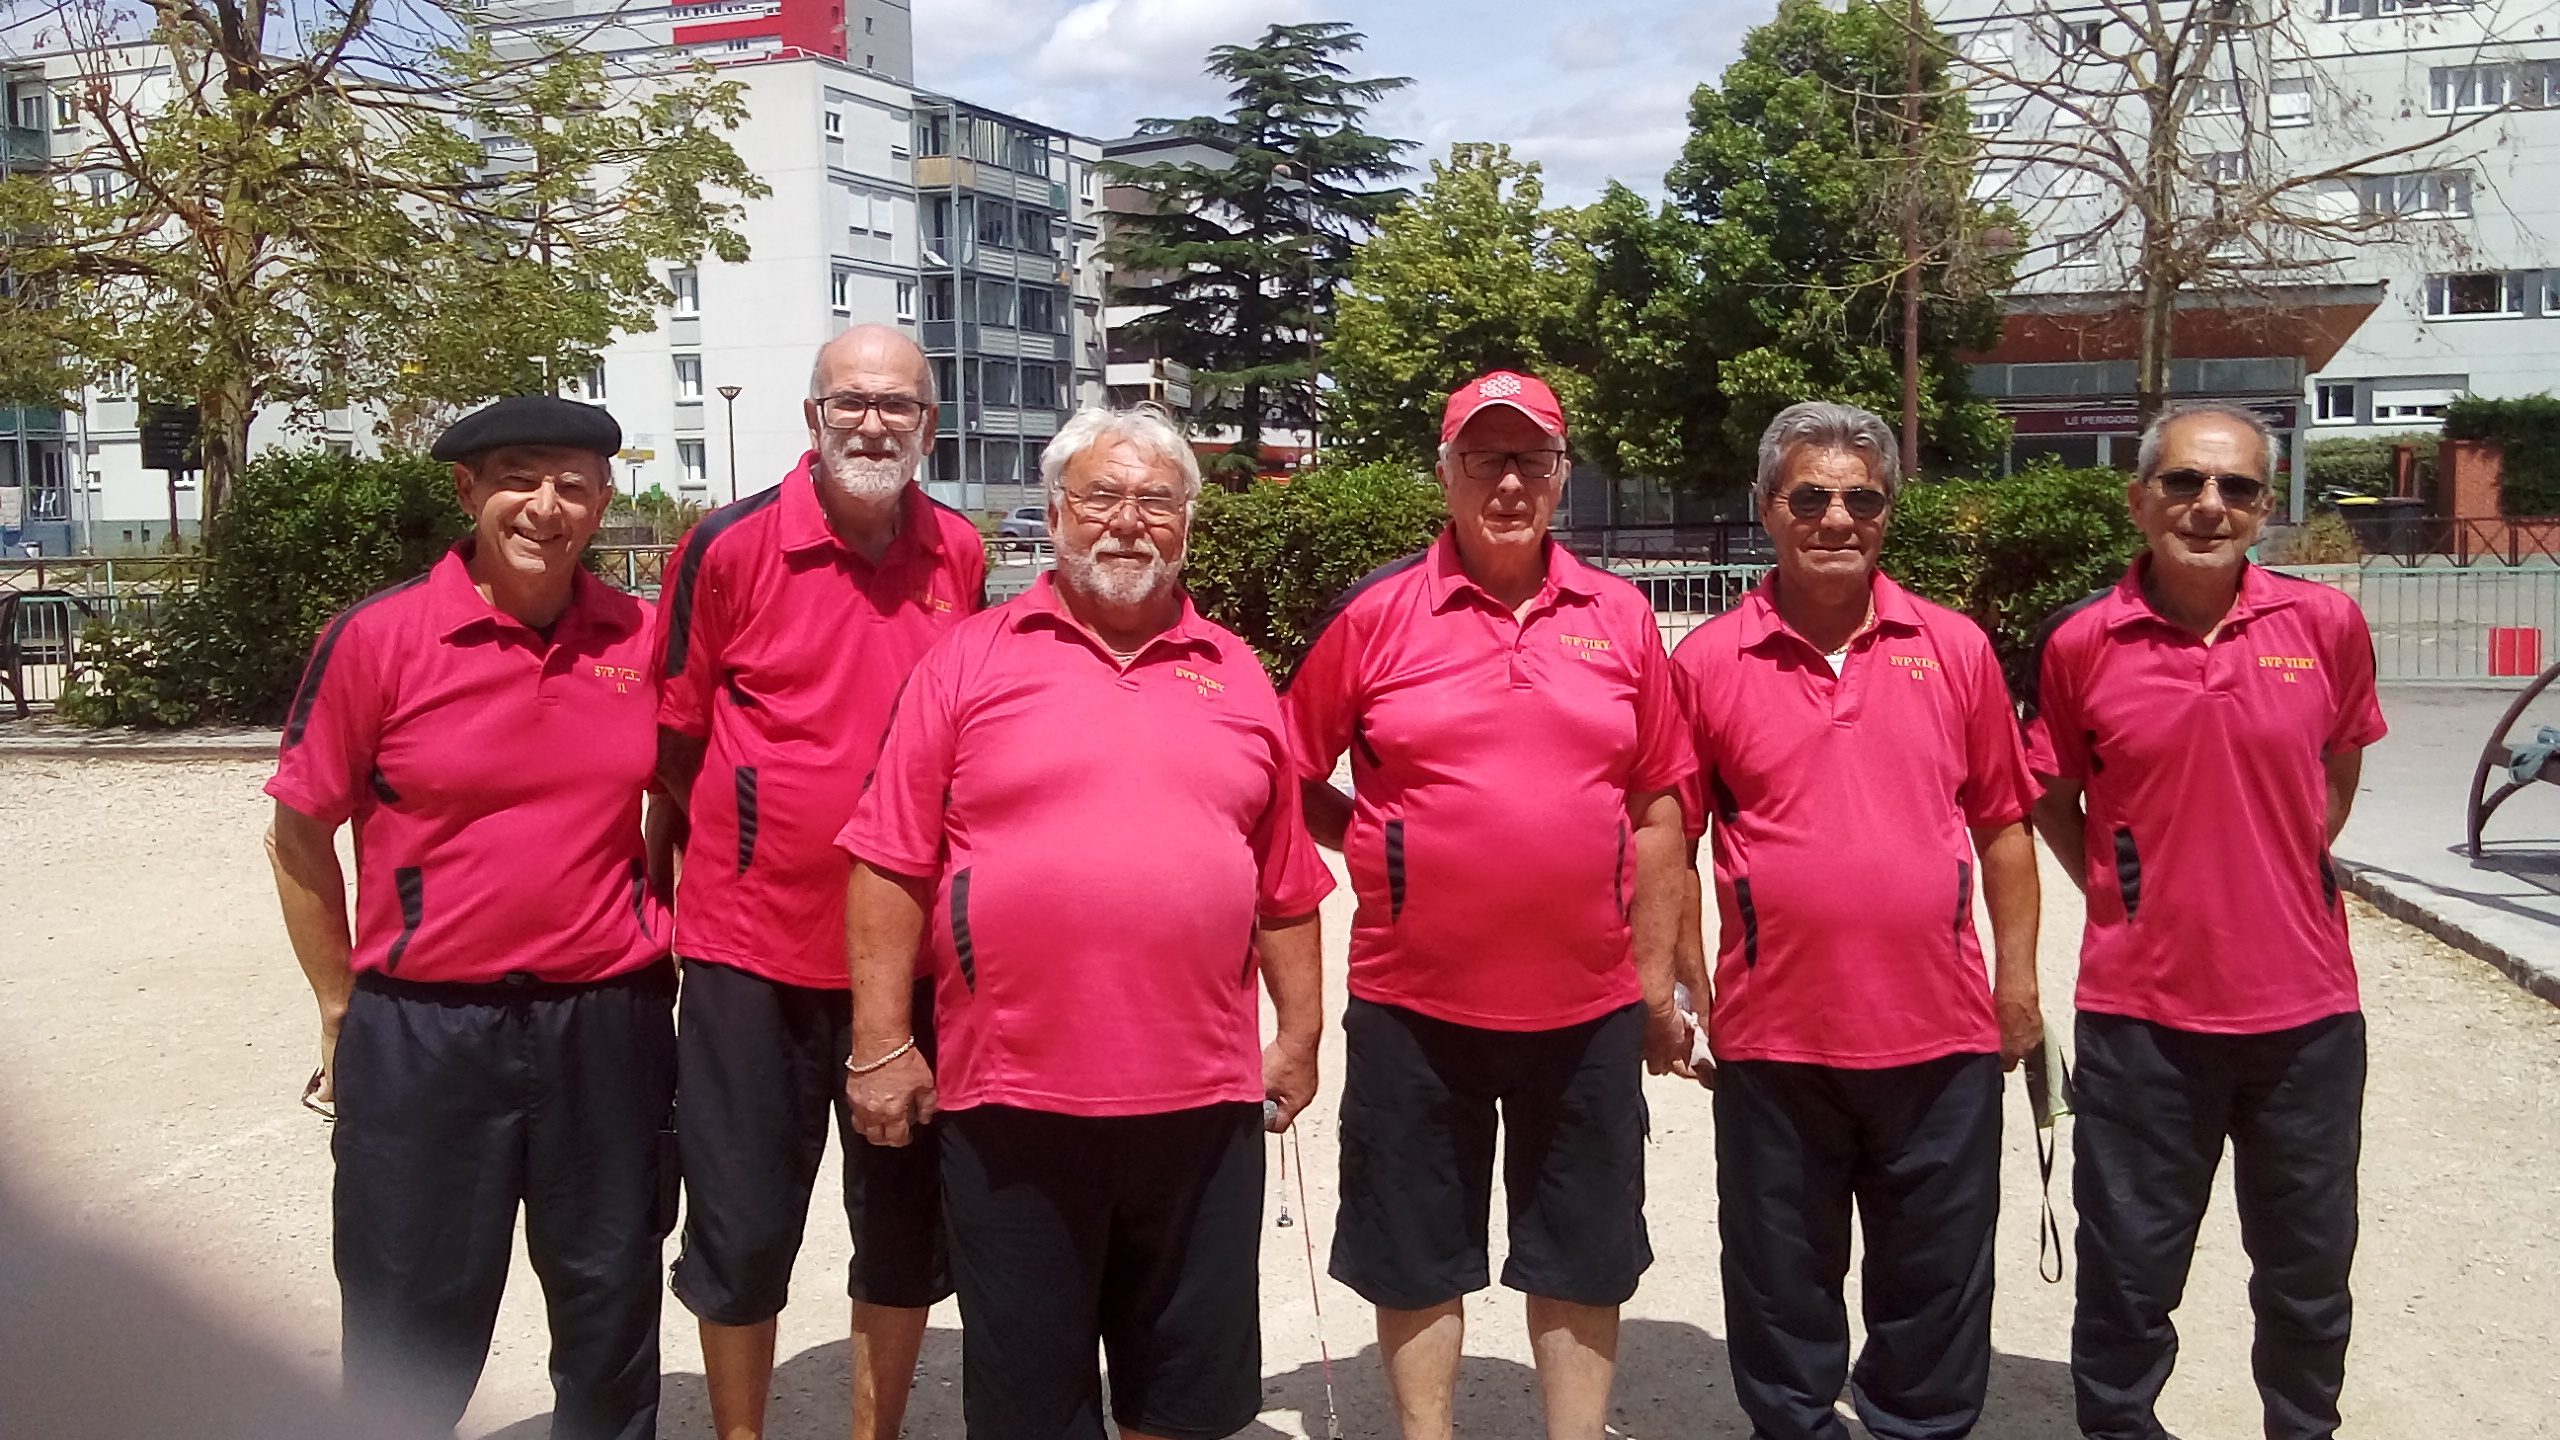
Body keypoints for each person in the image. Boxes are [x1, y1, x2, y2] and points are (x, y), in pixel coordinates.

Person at [837, 407, 1333, 1440]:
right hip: (1013, 1097)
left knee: (1180, 1396)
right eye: (1101, 497)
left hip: (1199, 1101)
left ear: (1188, 523)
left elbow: (1283, 880)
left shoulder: (1237, 673)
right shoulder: (968, 661)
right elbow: (888, 860)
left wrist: (1299, 1031)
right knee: (1031, 1400)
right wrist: (881, 1043)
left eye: (1156, 501)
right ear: (1056, 513)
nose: (1127, 523)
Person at [1277, 370, 1694, 1440]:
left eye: (1531, 461)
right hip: (1416, 1001)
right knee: (1415, 1253)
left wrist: (1655, 983)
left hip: (1588, 1003)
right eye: (1484, 459)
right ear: (1446, 474)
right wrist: (1370, 840)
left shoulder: (1620, 618)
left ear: (1561, 476)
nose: (1508, 482)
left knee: (1585, 1251)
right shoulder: (1374, 616)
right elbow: (1282, 767)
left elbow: (1659, 808)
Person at [265, 395, 676, 1439]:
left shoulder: (641, 637)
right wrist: (336, 1001)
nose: (547, 505)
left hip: (606, 1022)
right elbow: (301, 834)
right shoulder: (377, 638)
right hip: (424, 1030)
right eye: (520, 478)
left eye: (574, 483)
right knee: (411, 1311)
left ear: (602, 499)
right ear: (467, 489)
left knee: (610, 1301)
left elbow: (684, 792)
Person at [1670, 401, 2043, 1440]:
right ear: (1765, 509)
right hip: (1775, 1036)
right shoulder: (1706, 663)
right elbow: (1669, 836)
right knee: (1780, 1277)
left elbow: (2006, 830)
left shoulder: (1956, 648)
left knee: (1936, 1279)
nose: (1835, 517)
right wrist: (1682, 983)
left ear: (1886, 512)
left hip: (1941, 1034)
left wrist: (2018, 986)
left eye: (1860, 498)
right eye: (1810, 496)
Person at [2025, 403, 2385, 1440]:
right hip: (2144, 1019)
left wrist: (2282, 863)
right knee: (2129, 1276)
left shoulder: (2323, 627)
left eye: (2234, 487)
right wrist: (2119, 884)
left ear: (2265, 509)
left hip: (2307, 1016)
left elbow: (2338, 760)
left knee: (2307, 1271)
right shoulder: (2082, 642)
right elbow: (2052, 792)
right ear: (2139, 500)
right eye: (2183, 483)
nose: (2207, 505)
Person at [652, 326, 986, 1440]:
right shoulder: (727, 547)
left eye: (898, 405)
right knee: (741, 1229)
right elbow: (675, 745)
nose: (873, 423)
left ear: (929, 426)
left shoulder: (960, 555)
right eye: (852, 402)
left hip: (906, 964)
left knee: (899, 1226)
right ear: (812, 416)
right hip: (753, 956)